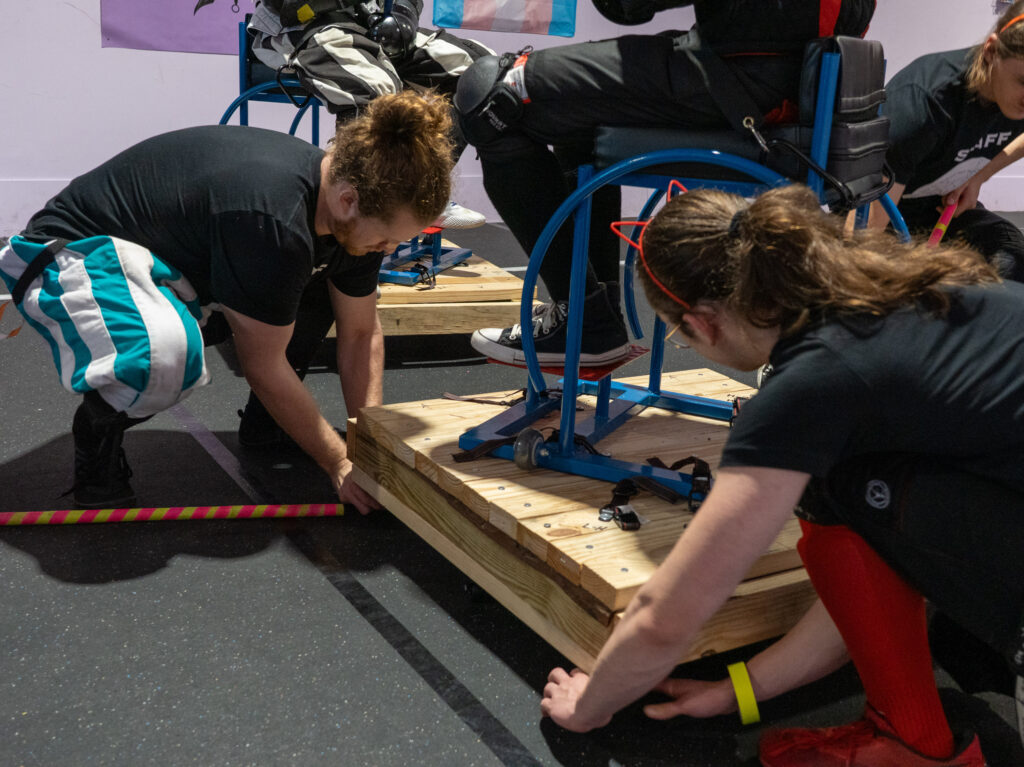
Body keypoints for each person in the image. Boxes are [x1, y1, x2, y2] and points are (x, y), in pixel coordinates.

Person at [539, 183, 1024, 766]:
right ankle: (909, 734)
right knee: (849, 481)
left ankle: (910, 742)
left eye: (677, 331)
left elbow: (669, 616)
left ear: (701, 323)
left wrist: (587, 705)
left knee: (829, 482)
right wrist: (736, 693)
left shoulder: (816, 382)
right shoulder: (905, 290)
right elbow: (875, 569)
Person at [0, 91, 453, 512]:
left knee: (317, 284)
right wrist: (337, 463)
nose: (390, 250)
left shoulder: (347, 212)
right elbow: (263, 365)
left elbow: (359, 333)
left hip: (165, 266)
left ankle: (266, 425)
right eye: (390, 238)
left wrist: (366, 443)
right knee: (164, 362)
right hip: (67, 254)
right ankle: (97, 431)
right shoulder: (273, 221)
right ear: (349, 200)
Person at [455, 0, 877, 366]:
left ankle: (585, 323)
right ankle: (591, 319)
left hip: (735, 83)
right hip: (798, 87)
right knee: (574, 109)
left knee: (491, 94)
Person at [247, 0, 492, 228]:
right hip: (306, 24)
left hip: (367, 20)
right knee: (375, 89)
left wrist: (402, 13)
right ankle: (356, 212)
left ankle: (418, 192)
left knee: (482, 73)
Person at [875, 1, 1024, 282]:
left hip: (941, 208)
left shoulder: (1011, 93)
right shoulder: (925, 103)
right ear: (991, 51)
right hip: (888, 217)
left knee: (1012, 264)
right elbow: (864, 231)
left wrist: (979, 176)